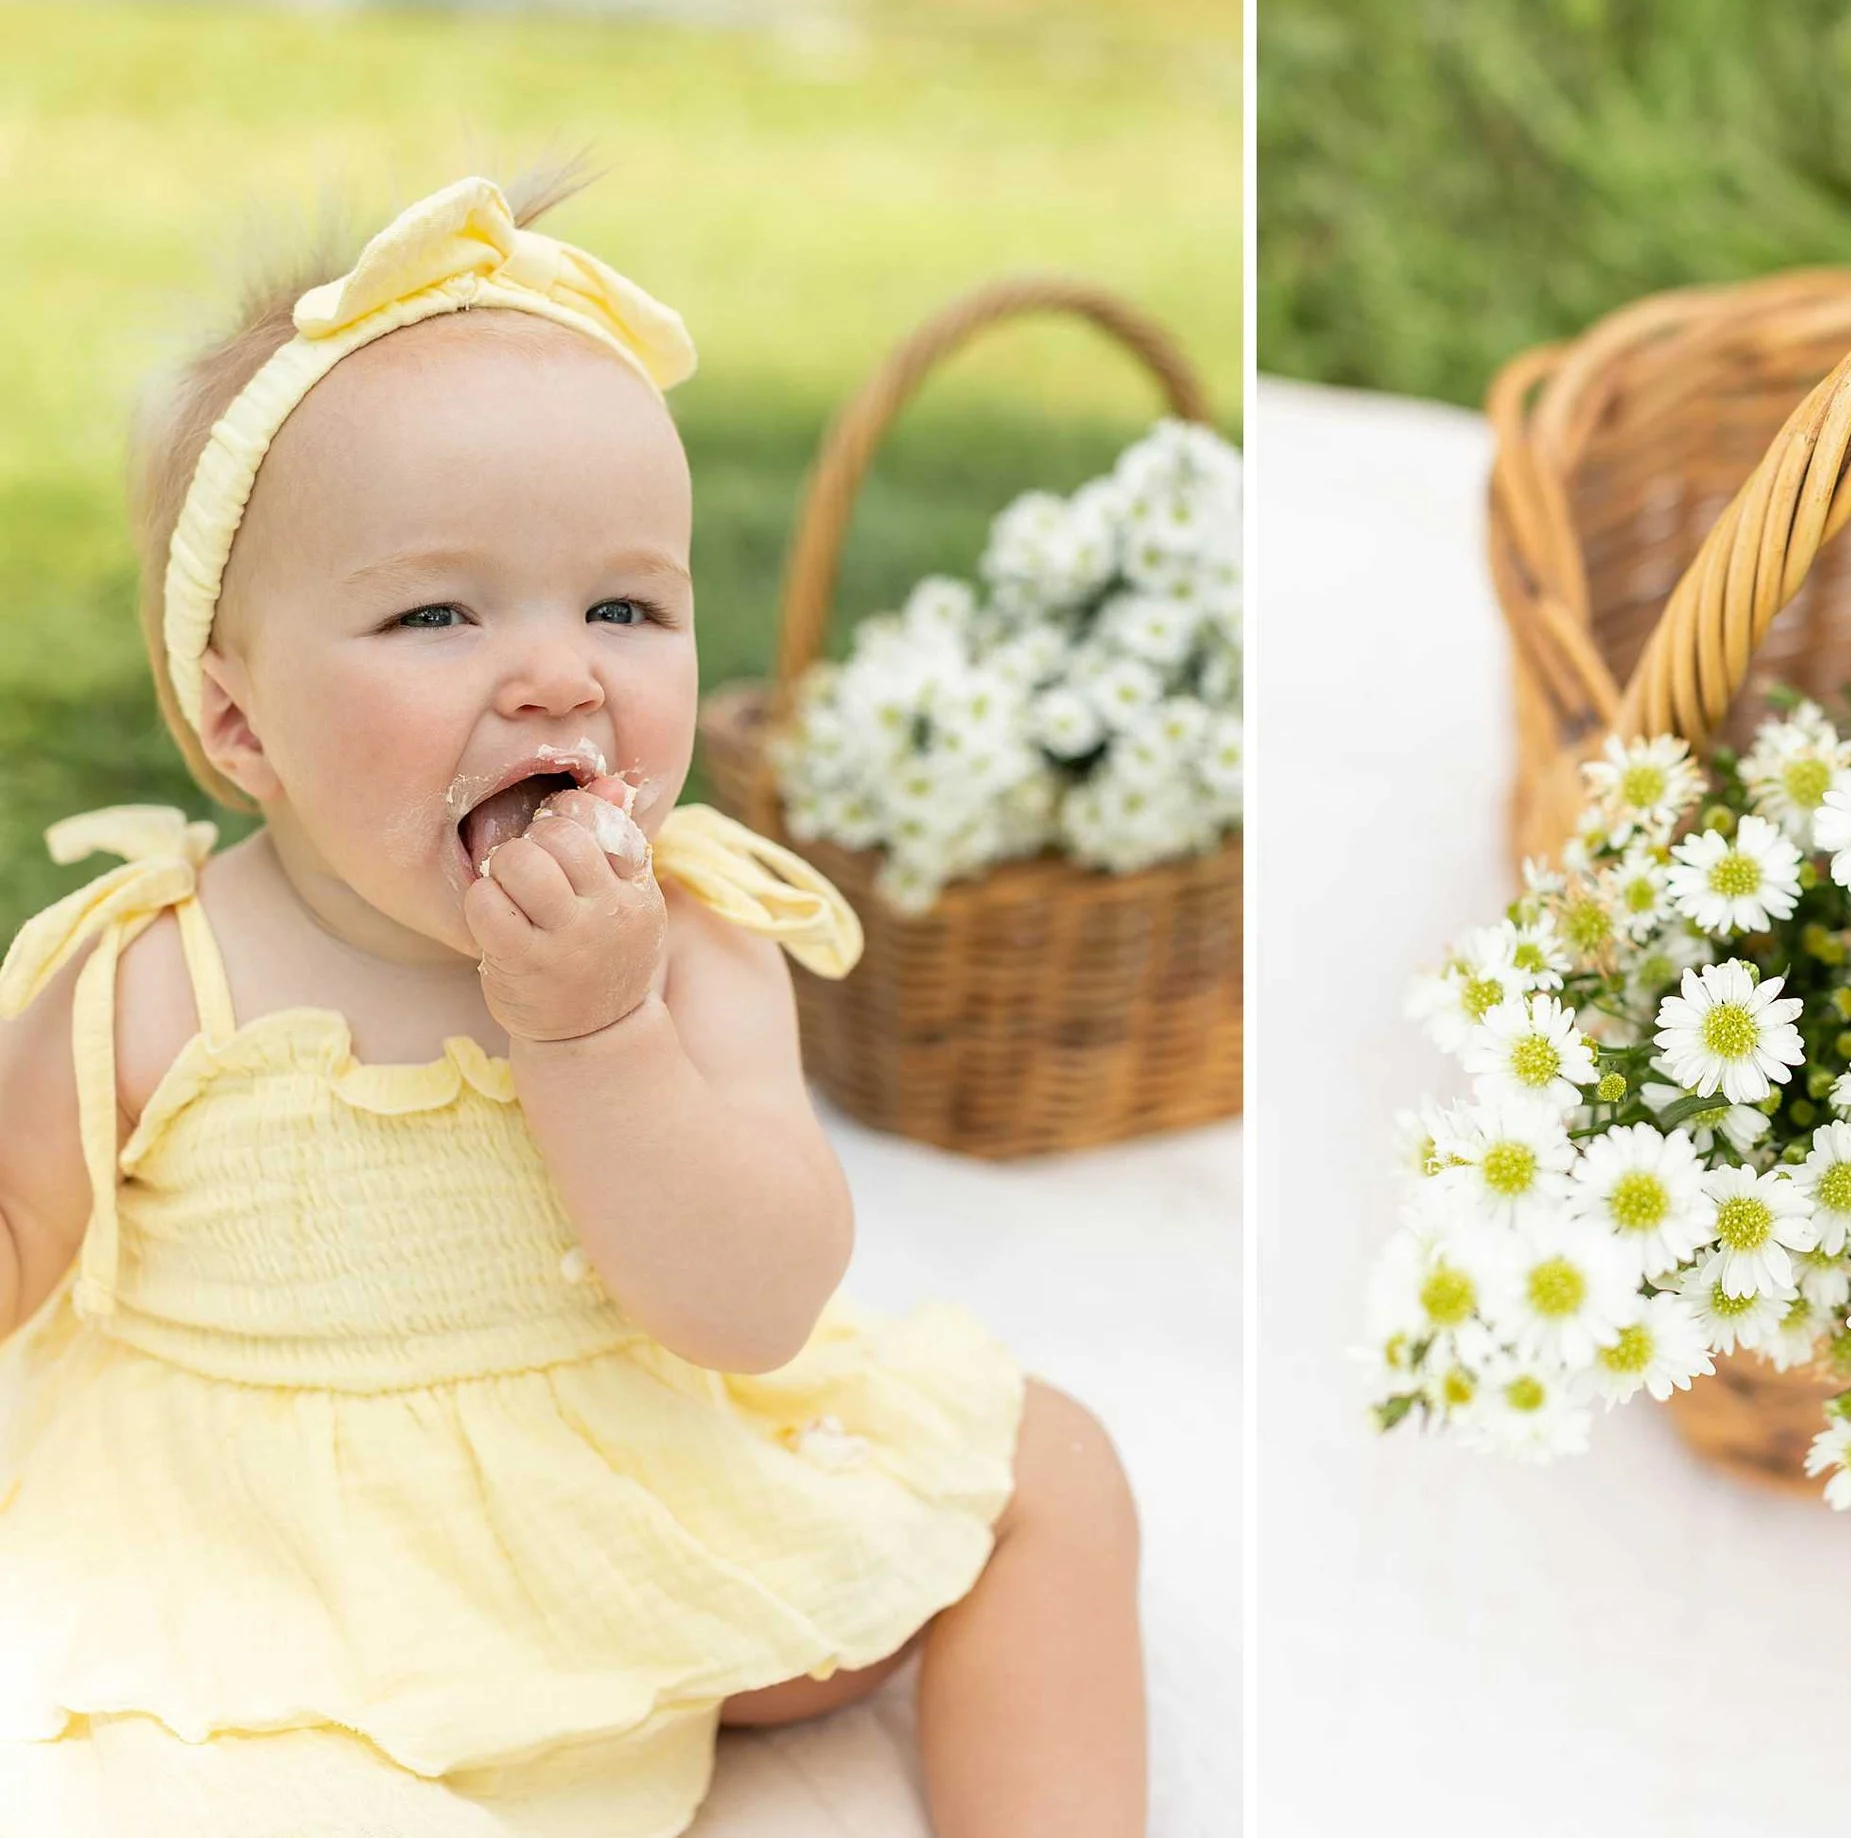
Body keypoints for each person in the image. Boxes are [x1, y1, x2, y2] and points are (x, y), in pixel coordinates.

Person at [0, 169, 1145, 1838]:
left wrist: (600, 1034)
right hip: (283, 1608)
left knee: (1051, 1468)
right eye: (436, 612)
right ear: (242, 724)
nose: (558, 672)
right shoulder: (160, 976)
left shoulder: (695, 944)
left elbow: (756, 1304)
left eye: (624, 605)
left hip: (622, 1538)